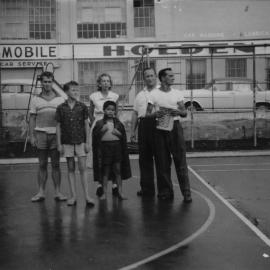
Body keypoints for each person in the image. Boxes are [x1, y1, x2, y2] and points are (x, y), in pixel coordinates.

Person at [146, 68, 192, 203]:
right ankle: (166, 192)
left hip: (175, 129)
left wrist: (177, 111)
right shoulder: (153, 94)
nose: (173, 77)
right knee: (162, 163)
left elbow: (184, 113)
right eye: (170, 76)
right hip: (160, 129)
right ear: (162, 78)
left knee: (181, 161)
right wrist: (156, 114)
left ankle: (186, 193)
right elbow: (147, 114)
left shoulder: (177, 93)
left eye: (173, 75)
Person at [29, 71, 67, 202]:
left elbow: (63, 120)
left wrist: (63, 138)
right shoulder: (35, 99)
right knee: (42, 164)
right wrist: (32, 136)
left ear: (52, 83)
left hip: (56, 136)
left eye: (49, 81)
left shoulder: (61, 99)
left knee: (56, 165)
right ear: (41, 83)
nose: (47, 84)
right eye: (44, 81)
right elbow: (32, 119)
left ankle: (57, 192)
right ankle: (41, 192)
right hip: (41, 135)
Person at [56, 81, 95, 207]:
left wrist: (87, 143)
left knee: (83, 168)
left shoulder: (82, 106)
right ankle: (73, 196)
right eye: (73, 90)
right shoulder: (61, 108)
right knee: (71, 168)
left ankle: (87, 196)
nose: (76, 92)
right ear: (66, 91)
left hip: (80, 142)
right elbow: (58, 127)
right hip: (66, 142)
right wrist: (59, 144)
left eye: (77, 90)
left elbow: (86, 125)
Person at [92, 100, 131, 200]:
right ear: (104, 110)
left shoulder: (118, 123)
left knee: (118, 170)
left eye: (113, 110)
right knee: (105, 171)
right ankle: (104, 193)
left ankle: (120, 192)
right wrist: (102, 130)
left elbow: (123, 137)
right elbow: (95, 137)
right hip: (105, 149)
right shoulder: (99, 123)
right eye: (108, 109)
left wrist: (118, 133)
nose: (110, 111)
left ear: (115, 111)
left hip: (117, 148)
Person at [89, 73, 119, 197]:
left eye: (108, 81)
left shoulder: (115, 96)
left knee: (113, 155)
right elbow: (90, 113)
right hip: (99, 124)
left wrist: (115, 125)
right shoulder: (93, 96)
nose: (105, 83)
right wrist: (96, 125)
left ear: (110, 83)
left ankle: (115, 185)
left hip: (111, 124)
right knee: (99, 155)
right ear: (99, 83)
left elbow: (117, 112)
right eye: (103, 81)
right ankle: (100, 184)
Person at [130, 67, 158, 198]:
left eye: (152, 75)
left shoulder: (162, 92)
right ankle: (147, 189)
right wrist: (132, 131)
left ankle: (165, 190)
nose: (150, 78)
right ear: (144, 78)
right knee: (144, 159)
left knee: (161, 160)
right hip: (143, 126)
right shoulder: (140, 95)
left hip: (159, 126)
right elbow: (135, 114)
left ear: (156, 76)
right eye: (147, 76)